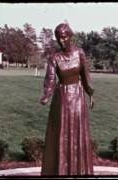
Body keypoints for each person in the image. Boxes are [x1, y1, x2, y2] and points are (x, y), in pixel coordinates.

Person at [40, 23, 95, 176]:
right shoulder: (54, 57)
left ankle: (80, 171)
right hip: (62, 99)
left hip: (78, 97)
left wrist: (90, 93)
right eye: (58, 38)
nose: (61, 41)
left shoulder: (80, 53)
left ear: (70, 36)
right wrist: (46, 95)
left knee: (78, 133)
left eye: (64, 37)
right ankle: (61, 171)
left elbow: (85, 75)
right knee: (62, 134)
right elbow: (50, 79)